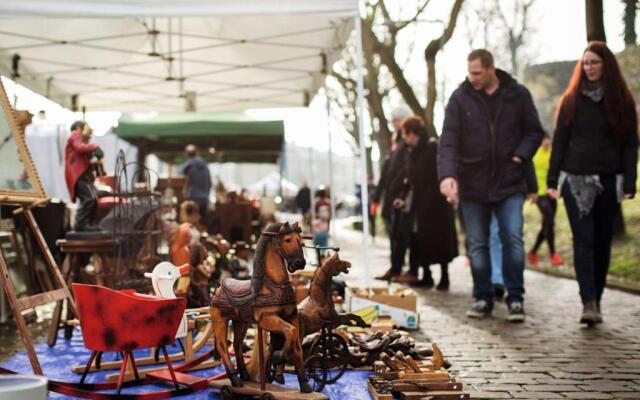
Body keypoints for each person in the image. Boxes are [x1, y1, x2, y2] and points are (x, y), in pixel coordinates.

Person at [438, 49, 544, 322]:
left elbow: (534, 131)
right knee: (477, 244)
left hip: (510, 180)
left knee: (512, 238)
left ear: (490, 70)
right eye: (469, 72)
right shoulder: (459, 99)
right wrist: (447, 175)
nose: (471, 77)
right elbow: (448, 140)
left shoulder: (517, 94)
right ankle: (482, 297)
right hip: (472, 183)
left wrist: (521, 154)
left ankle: (516, 298)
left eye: (476, 73)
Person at [547, 41, 638, 325]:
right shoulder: (570, 100)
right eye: (585, 63)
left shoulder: (622, 100)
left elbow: (630, 145)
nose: (589, 68)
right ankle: (587, 301)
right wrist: (552, 179)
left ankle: (596, 298)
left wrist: (629, 181)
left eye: (594, 62)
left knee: (601, 242)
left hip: (609, 180)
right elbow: (559, 142)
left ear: (606, 65)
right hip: (575, 180)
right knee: (583, 240)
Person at [393, 117, 458, 290]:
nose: (404, 138)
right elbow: (409, 178)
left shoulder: (432, 148)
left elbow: (439, 174)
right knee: (419, 239)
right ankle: (427, 275)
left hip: (437, 205)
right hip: (419, 205)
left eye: (406, 134)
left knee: (440, 239)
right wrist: (403, 196)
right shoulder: (411, 152)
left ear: (414, 133)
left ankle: (445, 277)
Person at [372, 105, 415, 281]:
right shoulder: (396, 143)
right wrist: (378, 195)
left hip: (401, 196)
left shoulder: (408, 143)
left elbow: (405, 171)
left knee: (402, 234)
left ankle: (402, 269)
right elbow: (387, 171)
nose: (395, 124)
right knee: (393, 234)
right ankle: (395, 267)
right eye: (393, 121)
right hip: (390, 195)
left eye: (398, 120)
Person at [528, 135, 565, 267]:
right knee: (549, 220)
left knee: (547, 225)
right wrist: (531, 190)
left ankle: (533, 252)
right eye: (544, 139)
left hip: (551, 193)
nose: (547, 142)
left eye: (548, 139)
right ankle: (553, 254)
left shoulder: (553, 153)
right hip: (539, 194)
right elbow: (528, 172)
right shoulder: (534, 153)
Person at [64, 121, 102, 231]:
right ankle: (81, 224)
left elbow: (85, 157)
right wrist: (95, 147)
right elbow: (79, 147)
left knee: (93, 199)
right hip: (78, 174)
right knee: (89, 198)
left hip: (82, 174)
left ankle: (89, 223)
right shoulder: (74, 134)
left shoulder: (81, 140)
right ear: (78, 128)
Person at [181, 144, 212, 223]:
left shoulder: (188, 165)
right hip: (204, 198)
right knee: (202, 222)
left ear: (186, 154)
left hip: (192, 198)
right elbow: (210, 183)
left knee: (191, 223)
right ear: (197, 152)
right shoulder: (205, 166)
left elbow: (181, 174)